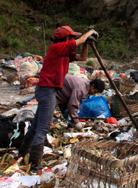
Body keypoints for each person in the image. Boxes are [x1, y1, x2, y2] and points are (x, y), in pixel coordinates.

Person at [18, 26, 97, 171]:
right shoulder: (57, 48)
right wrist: (91, 32)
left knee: (36, 126)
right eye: (72, 37)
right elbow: (79, 40)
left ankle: (23, 153)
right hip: (47, 90)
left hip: (49, 90)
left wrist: (86, 43)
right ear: (67, 39)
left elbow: (83, 58)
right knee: (43, 128)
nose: (73, 40)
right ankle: (35, 165)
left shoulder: (64, 52)